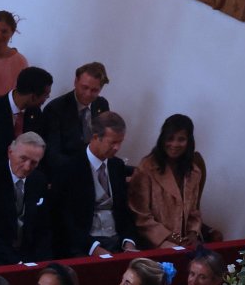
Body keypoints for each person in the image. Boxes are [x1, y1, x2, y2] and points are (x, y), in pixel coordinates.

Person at [48, 109, 134, 257]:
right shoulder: (69, 168)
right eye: (112, 142)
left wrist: (129, 241)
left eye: (120, 142)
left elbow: (124, 211)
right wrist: (93, 247)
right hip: (83, 246)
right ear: (95, 137)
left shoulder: (117, 166)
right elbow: (63, 217)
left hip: (117, 241)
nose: (117, 148)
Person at [127, 113, 206, 249]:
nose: (174, 144)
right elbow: (141, 218)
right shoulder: (147, 168)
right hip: (154, 239)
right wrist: (174, 238)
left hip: (184, 240)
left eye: (181, 139)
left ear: (189, 141)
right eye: (170, 139)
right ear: (162, 139)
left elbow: (194, 212)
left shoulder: (194, 172)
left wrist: (193, 234)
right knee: (178, 257)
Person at [0, 132, 49, 266]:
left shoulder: (39, 180)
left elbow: (43, 229)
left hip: (29, 258)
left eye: (34, 163)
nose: (27, 167)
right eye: (23, 159)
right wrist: (16, 262)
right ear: (10, 151)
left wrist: (40, 263)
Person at [41, 61, 110, 170]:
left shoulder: (101, 105)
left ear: (101, 89)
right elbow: (53, 155)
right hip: (67, 169)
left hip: (94, 167)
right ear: (75, 82)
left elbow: (104, 142)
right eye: (85, 87)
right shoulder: (55, 109)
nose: (88, 94)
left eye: (94, 90)